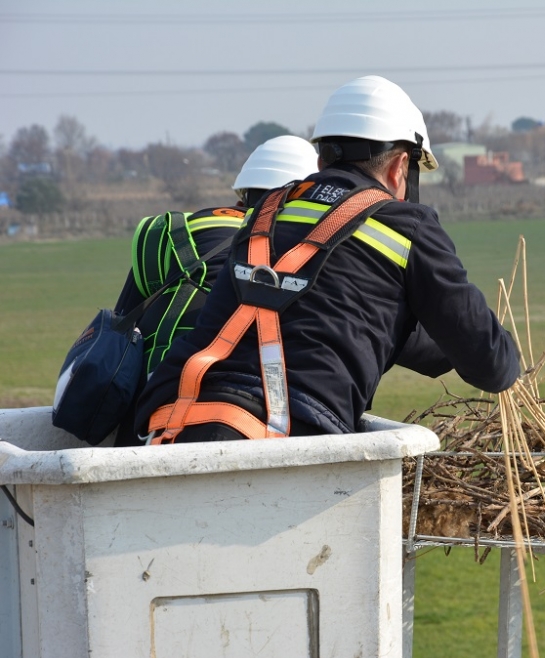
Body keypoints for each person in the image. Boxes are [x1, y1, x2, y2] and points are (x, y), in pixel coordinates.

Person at [135, 75, 521, 444]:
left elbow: (314, 308)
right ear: (399, 166)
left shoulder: (266, 210)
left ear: (321, 162)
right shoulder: (407, 226)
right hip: (294, 430)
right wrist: (502, 353)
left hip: (171, 420)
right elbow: (491, 365)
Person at [112, 135, 319, 445]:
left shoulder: (172, 232)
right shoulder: (303, 252)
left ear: (241, 195)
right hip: (253, 422)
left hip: (148, 420)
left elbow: (120, 330)